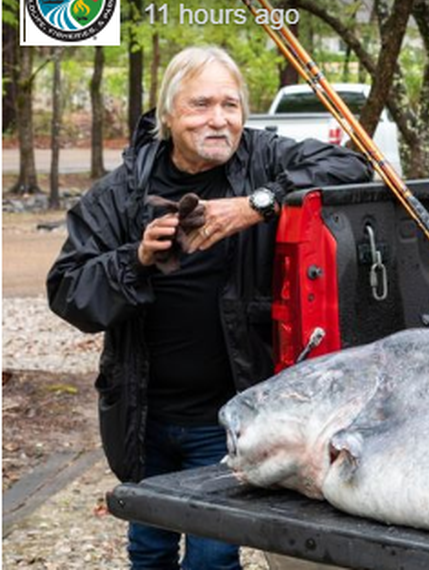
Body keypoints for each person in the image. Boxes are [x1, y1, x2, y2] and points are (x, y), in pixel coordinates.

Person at [46, 46, 372, 569]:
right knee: (149, 549)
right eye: (200, 105)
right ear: (168, 114)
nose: (218, 120)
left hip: (228, 414)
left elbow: (352, 165)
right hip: (143, 413)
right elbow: (68, 290)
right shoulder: (122, 192)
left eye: (230, 104)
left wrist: (255, 205)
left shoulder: (263, 159)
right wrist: (136, 259)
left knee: (212, 558)